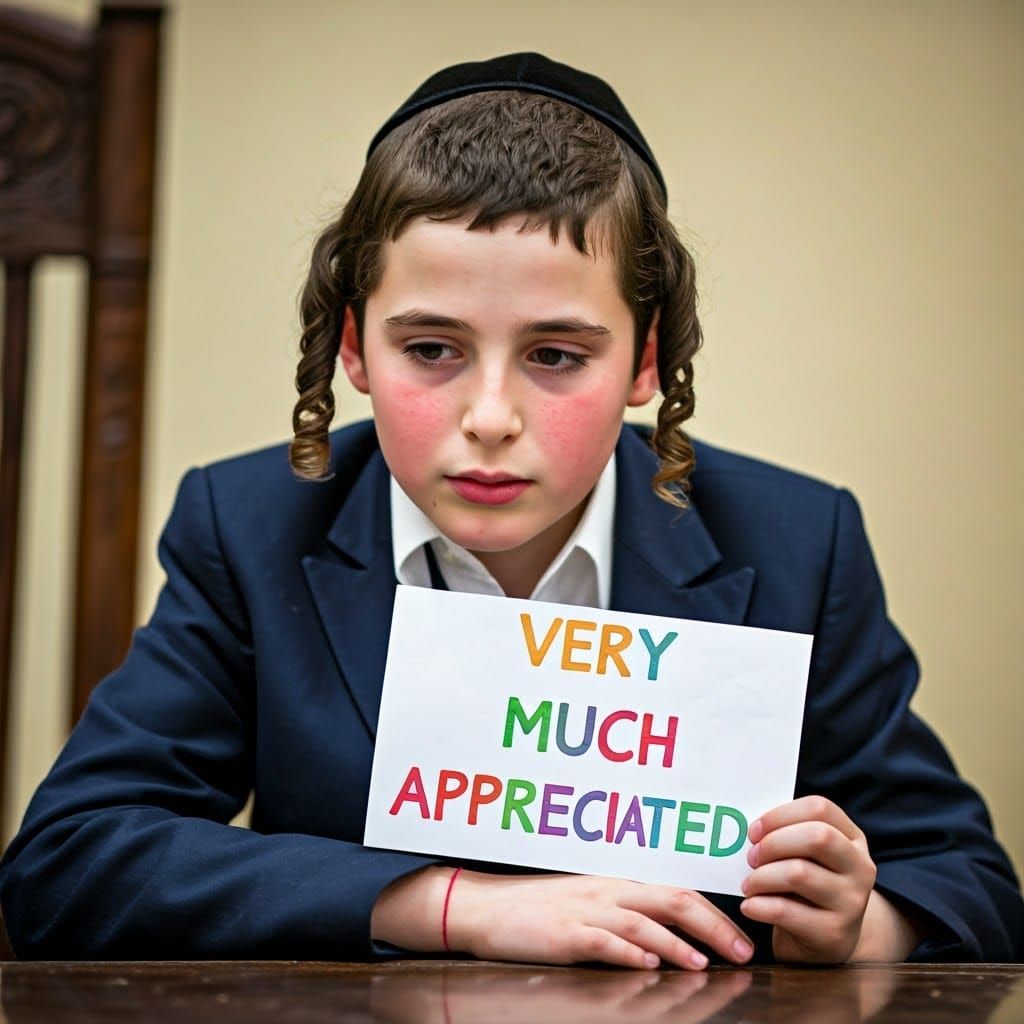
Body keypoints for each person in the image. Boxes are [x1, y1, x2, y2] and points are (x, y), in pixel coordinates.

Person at [1, 53, 1020, 968]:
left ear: (645, 360)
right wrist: (452, 906)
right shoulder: (252, 525)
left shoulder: (798, 544)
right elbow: (70, 859)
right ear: (352, 347)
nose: (490, 417)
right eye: (431, 348)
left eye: (556, 355)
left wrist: (858, 921)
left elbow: (968, 882)